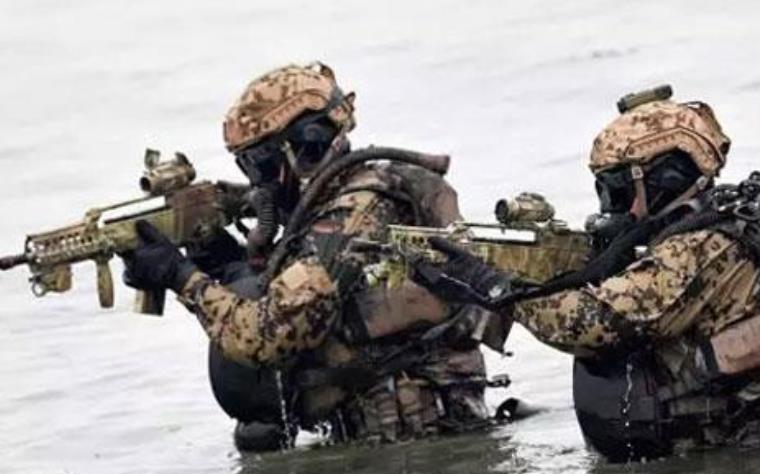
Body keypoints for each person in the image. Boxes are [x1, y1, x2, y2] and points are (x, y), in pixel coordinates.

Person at [419, 87, 760, 461]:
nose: (611, 206)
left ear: (666, 178)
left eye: (617, 189)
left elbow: (593, 323)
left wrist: (496, 287)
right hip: (745, 449)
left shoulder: (701, 246)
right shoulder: (700, 229)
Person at [121, 62, 508, 450]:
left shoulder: (355, 214)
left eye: (259, 163)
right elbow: (290, 291)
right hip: (397, 442)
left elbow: (266, 336)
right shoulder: (343, 201)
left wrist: (180, 276)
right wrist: (220, 260)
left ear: (306, 145)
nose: (257, 180)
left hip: (416, 447)